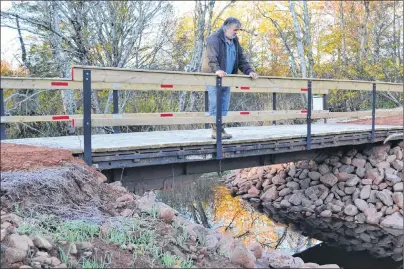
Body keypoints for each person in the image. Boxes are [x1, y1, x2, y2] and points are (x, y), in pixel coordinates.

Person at [202, 17, 258, 139]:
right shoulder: (213, 39)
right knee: (215, 103)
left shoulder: (235, 41)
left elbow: (241, 60)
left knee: (224, 105)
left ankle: (221, 129)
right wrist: (217, 69)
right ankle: (215, 131)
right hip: (213, 77)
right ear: (226, 28)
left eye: (237, 30)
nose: (236, 32)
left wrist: (250, 71)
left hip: (227, 78)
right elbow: (212, 58)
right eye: (235, 29)